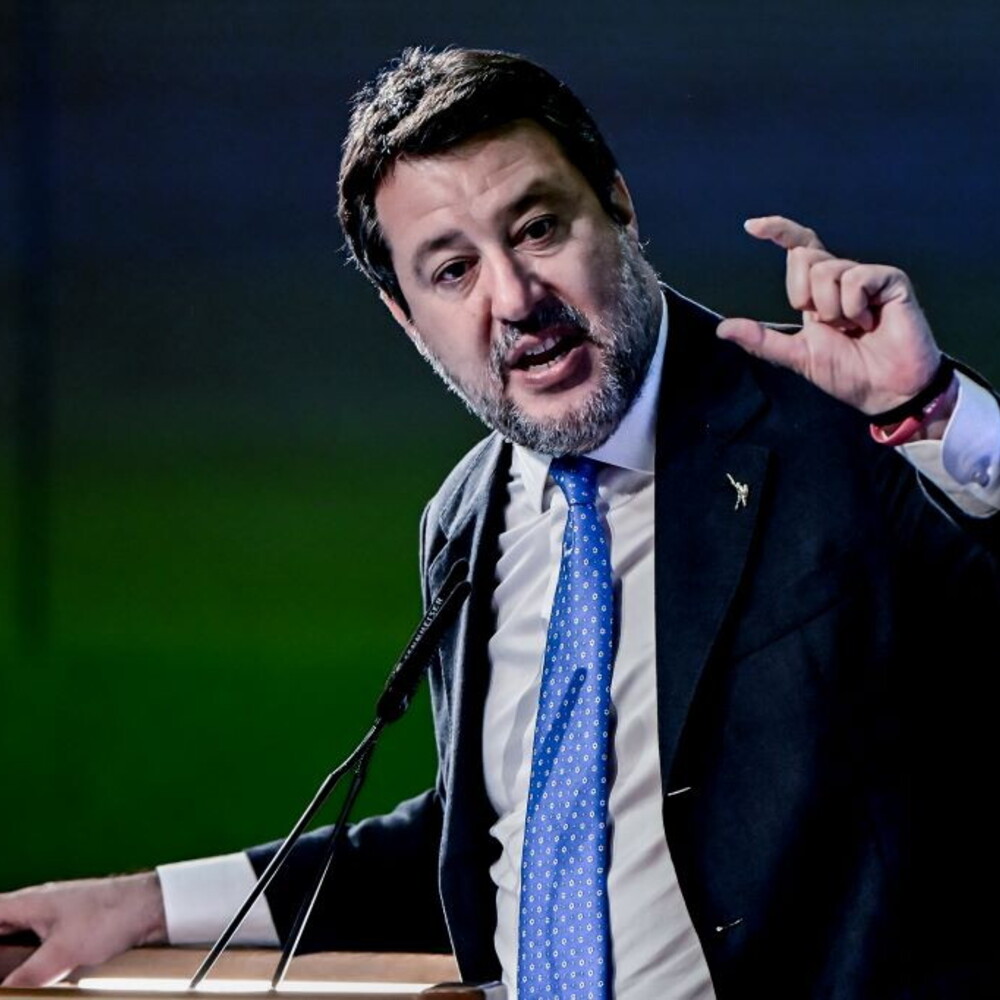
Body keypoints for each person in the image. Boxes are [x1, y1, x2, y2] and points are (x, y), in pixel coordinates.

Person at [2, 47, 998, 999]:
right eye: (452, 270)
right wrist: (142, 905)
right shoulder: (464, 519)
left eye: (538, 229)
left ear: (618, 205)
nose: (516, 298)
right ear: (405, 316)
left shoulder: (840, 424)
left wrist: (933, 413)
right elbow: (493, 847)